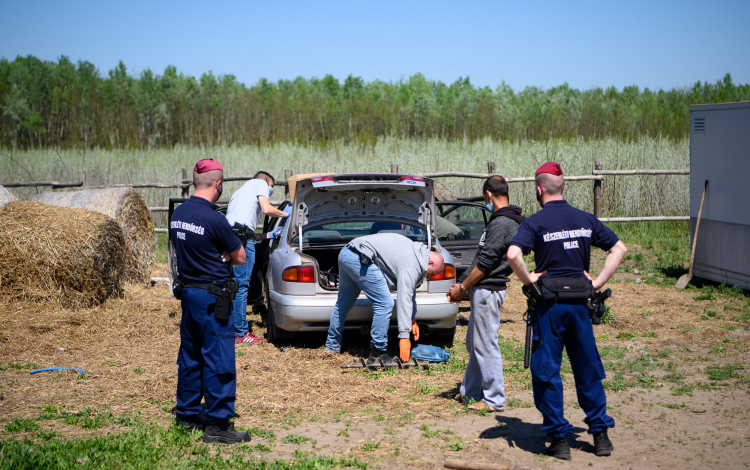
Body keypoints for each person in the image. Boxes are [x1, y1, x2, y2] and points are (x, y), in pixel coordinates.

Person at [506, 162, 627, 460]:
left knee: (547, 371)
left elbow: (513, 254)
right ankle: (600, 437)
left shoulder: (534, 223)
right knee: (587, 368)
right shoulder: (585, 219)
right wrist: (597, 281)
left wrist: (529, 279)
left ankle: (559, 440)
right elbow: (619, 249)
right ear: (564, 187)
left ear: (539, 189)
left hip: (549, 308)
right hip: (581, 308)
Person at [170, 158, 251, 444]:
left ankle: (188, 414)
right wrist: (227, 252)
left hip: (189, 293)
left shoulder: (178, 213)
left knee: (190, 356)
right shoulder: (215, 219)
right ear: (218, 184)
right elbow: (240, 257)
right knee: (218, 359)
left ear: (194, 181)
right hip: (213, 298)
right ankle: (218, 423)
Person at [447, 176, 524, 412]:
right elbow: (481, 257)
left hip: (488, 290)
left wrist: (462, 288)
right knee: (475, 343)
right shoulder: (501, 220)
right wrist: (462, 283)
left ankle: (494, 399)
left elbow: (487, 262)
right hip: (485, 289)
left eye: (484, 197)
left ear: (488, 195)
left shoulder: (502, 223)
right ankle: (469, 390)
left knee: (486, 345)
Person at [324, 233, 445, 363]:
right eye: (433, 273)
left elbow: (410, 291)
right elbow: (404, 299)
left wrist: (412, 319)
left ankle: (332, 347)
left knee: (343, 303)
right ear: (431, 263)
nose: (430, 277)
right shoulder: (411, 265)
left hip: (347, 253)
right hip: (360, 258)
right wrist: (404, 337)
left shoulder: (417, 253)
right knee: (385, 303)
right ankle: (378, 352)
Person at [225, 171, 289, 344]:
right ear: (265, 181)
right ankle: (240, 333)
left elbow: (249, 233)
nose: (270, 190)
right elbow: (267, 209)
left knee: (232, 284)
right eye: (272, 187)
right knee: (241, 285)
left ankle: (230, 327)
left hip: (231, 236)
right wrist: (288, 215)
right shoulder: (259, 183)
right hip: (242, 238)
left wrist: (269, 235)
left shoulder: (238, 193)